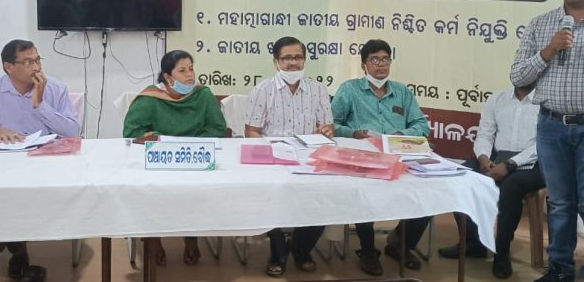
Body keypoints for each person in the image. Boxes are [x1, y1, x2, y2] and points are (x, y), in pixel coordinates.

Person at [0, 39, 80, 282]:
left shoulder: (55, 88)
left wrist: (40, 104)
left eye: (37, 60)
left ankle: (12, 242)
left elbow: (72, 132)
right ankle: (16, 247)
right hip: (4, 163)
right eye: (28, 62)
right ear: (8, 67)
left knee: (21, 193)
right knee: (2, 191)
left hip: (45, 163)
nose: (36, 67)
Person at [510, 0, 584, 282]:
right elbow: (518, 77)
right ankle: (560, 270)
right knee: (560, 203)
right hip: (551, 127)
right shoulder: (541, 25)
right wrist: (549, 50)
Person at [331, 39, 431, 276]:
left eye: (385, 59)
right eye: (374, 59)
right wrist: (354, 133)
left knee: (428, 190)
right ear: (364, 65)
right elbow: (331, 124)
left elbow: (421, 125)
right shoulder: (349, 89)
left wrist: (401, 135)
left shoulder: (402, 92)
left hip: (399, 154)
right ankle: (367, 250)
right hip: (363, 155)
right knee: (364, 192)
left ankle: (401, 244)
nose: (381, 64)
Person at [123, 50, 226, 267]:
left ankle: (191, 236)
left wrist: (189, 146)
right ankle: (154, 238)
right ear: (168, 77)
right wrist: (159, 141)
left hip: (195, 159)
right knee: (152, 191)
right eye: (182, 71)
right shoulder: (150, 98)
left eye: (191, 69)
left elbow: (217, 128)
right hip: (160, 160)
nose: (190, 75)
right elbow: (132, 133)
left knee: (197, 191)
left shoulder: (203, 95)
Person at [244, 36, 333, 277]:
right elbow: (251, 131)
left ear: (304, 60)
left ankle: (301, 247)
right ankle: (279, 251)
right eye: (287, 58)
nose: (293, 63)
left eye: (298, 57)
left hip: (309, 159)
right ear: (276, 62)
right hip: (274, 159)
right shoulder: (262, 90)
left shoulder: (318, 90)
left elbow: (327, 127)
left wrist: (326, 131)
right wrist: (268, 153)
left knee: (328, 193)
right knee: (271, 192)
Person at [437, 83, 544, 279]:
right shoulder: (497, 98)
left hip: (536, 163)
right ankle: (473, 243)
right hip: (498, 157)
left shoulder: (546, 101)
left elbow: (543, 144)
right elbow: (485, 134)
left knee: (511, 186)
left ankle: (501, 252)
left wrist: (510, 164)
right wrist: (483, 158)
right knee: (462, 175)